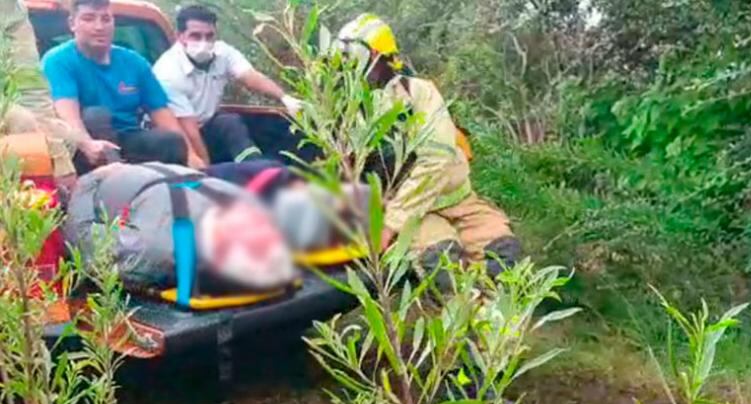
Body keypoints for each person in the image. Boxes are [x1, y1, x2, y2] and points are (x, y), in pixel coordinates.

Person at [335, 14, 523, 288]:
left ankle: (493, 325)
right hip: (413, 215)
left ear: (375, 54)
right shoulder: (352, 110)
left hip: (459, 203)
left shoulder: (420, 93)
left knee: (503, 255)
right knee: (443, 265)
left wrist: (389, 225)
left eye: (353, 54)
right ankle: (458, 325)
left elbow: (437, 158)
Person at [41, 0, 196, 175]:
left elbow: (163, 115)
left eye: (105, 19)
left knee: (170, 141)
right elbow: (68, 117)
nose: (99, 26)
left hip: (129, 140)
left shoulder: (134, 62)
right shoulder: (58, 60)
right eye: (89, 19)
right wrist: (87, 144)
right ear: (72, 24)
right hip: (84, 145)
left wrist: (192, 158)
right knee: (95, 116)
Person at [153, 5, 303, 164]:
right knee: (225, 126)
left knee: (234, 123)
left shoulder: (222, 54)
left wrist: (284, 97)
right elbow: (190, 131)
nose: (203, 42)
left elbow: (249, 76)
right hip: (176, 136)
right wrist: (206, 168)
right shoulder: (169, 72)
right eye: (195, 36)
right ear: (180, 36)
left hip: (207, 124)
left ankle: (256, 167)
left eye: (209, 36)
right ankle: (246, 171)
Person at [1, 0, 83, 191]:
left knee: (65, 135)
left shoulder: (10, 8)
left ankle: (37, 207)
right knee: (19, 119)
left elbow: (31, 88)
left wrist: (59, 160)